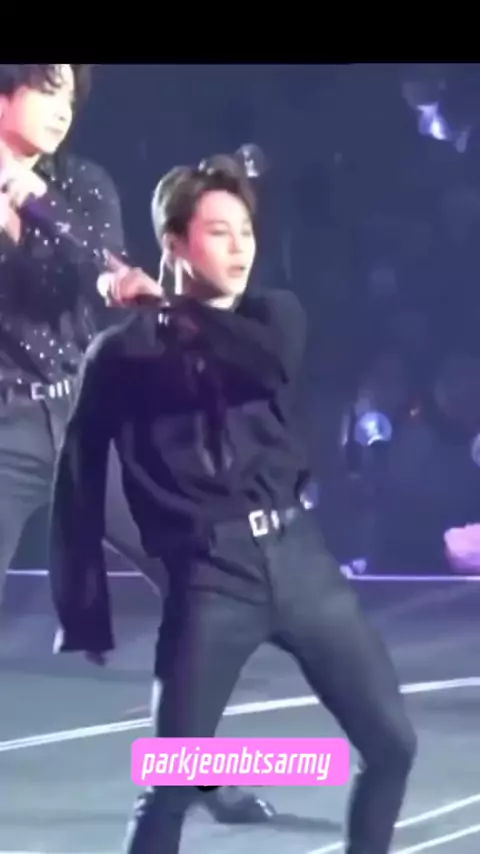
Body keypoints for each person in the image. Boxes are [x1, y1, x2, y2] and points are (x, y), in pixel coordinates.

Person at [49, 153, 417, 854]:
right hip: (211, 577)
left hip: (300, 561)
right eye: (219, 232)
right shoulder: (122, 355)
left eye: (246, 230)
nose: (240, 247)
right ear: (175, 244)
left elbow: (260, 364)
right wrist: (83, 607)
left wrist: (168, 306)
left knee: (392, 745)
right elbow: (80, 478)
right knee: (173, 784)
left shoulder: (275, 318)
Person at [0, 63, 266, 825]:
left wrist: (31, 198)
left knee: (194, 575)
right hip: (4, 432)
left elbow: (88, 270)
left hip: (88, 421)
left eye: (70, 93)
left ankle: (193, 766)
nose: (63, 108)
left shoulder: (79, 185)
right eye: (46, 88)